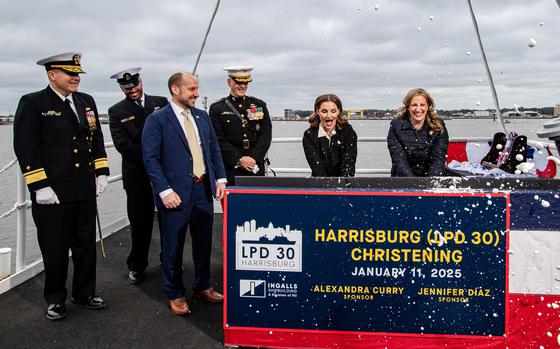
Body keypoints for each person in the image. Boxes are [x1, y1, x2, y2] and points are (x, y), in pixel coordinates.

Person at [13, 52, 110, 321]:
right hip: (52, 193)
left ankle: (84, 293)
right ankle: (55, 299)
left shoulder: (86, 101)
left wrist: (101, 171)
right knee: (55, 249)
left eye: (77, 73)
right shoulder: (33, 103)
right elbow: (26, 148)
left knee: (85, 246)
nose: (75, 77)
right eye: (70, 73)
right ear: (52, 74)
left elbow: (96, 138)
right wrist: (39, 186)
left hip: (84, 189)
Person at [142, 72, 226, 315]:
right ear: (175, 90)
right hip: (174, 195)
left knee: (203, 243)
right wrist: (164, 191)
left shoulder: (202, 117)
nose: (196, 94)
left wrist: (219, 178)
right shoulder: (157, 120)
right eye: (191, 89)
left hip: (203, 190)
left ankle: (202, 285)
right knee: (173, 245)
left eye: (197, 88)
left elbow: (214, 150)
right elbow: (150, 159)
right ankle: (175, 293)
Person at [108, 67, 168, 285]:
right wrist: (152, 159)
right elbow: (123, 146)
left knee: (168, 221)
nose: (131, 90)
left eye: (134, 85)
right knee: (140, 223)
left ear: (141, 82)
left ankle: (168, 260)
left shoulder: (161, 102)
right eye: (126, 87)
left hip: (165, 172)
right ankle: (137, 266)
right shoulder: (116, 112)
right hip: (137, 174)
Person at [209, 66, 272, 185]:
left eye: (246, 83)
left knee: (259, 202)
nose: (242, 86)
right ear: (229, 82)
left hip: (255, 167)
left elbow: (266, 135)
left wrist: (253, 158)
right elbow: (218, 139)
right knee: (232, 203)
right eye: (238, 82)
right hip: (231, 168)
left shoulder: (259, 105)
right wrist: (239, 159)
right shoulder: (217, 108)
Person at [387, 88, 449, 177]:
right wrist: (412, 183)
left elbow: (438, 158)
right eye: (414, 105)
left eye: (422, 105)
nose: (418, 109)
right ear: (408, 107)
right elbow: (399, 159)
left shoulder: (438, 126)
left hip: (431, 179)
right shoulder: (396, 125)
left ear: (428, 106)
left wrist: (430, 182)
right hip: (403, 179)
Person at [302, 94, 357, 177]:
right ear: (317, 111)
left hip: (344, 184)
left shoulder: (348, 131)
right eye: (324, 111)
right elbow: (317, 167)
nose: (329, 115)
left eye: (333, 111)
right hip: (320, 184)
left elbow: (348, 164)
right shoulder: (309, 135)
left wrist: (342, 186)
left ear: (339, 111)